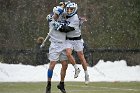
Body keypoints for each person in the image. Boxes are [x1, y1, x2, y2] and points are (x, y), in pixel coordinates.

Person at [57, 2, 89, 84]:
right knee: (68, 53)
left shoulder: (75, 18)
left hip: (77, 40)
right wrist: (61, 6)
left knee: (81, 57)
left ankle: (86, 74)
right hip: (68, 40)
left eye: (71, 9)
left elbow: (67, 29)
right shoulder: (65, 14)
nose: (69, 11)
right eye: (68, 9)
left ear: (75, 10)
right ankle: (76, 68)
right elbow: (57, 11)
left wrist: (58, 26)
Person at [46, 6, 68, 93]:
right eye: (55, 14)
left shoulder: (64, 19)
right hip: (54, 45)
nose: (55, 15)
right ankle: (48, 84)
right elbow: (50, 17)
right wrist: (55, 14)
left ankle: (61, 84)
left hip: (64, 44)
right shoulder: (51, 19)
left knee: (65, 65)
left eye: (57, 14)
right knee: (52, 64)